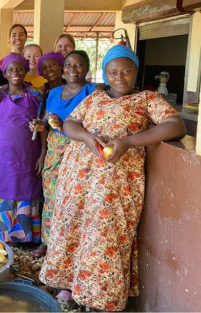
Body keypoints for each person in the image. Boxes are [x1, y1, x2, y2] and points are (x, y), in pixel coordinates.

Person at [39, 45, 186, 311]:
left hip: (115, 184)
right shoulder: (95, 97)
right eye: (113, 72)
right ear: (105, 74)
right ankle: (70, 287)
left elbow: (176, 125)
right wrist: (85, 136)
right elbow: (70, 123)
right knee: (72, 227)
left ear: (136, 72)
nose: (120, 77)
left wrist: (130, 141)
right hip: (78, 179)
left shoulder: (146, 100)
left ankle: (100, 299)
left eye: (126, 71)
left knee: (105, 236)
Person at [31, 51, 100, 257]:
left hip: (79, 151)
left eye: (79, 65)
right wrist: (39, 125)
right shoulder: (53, 93)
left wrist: (65, 127)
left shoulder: (94, 92)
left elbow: (96, 124)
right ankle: (47, 242)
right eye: (69, 65)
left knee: (74, 200)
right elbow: (45, 120)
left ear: (87, 68)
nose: (73, 70)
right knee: (51, 197)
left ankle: (70, 247)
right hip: (54, 151)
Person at [0, 53, 45, 243]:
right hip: (0, 157)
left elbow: (43, 127)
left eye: (19, 69)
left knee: (26, 190)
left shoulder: (36, 95)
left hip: (27, 157)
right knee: (0, 190)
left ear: (25, 71)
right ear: (5, 73)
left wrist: (42, 154)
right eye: (10, 70)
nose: (15, 73)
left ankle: (24, 241)